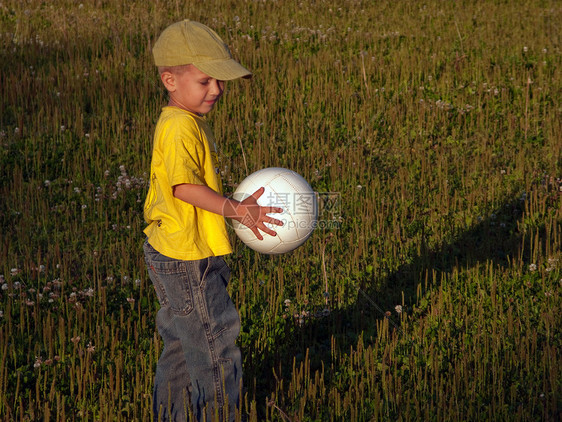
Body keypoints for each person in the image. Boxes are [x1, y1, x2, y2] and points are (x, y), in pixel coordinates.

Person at [142, 20, 283, 422]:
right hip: (189, 260)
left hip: (172, 251)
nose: (217, 90)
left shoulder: (182, 121)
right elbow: (184, 188)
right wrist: (239, 210)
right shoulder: (179, 127)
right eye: (205, 81)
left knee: (182, 347)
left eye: (220, 81)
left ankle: (171, 416)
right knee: (214, 345)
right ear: (170, 79)